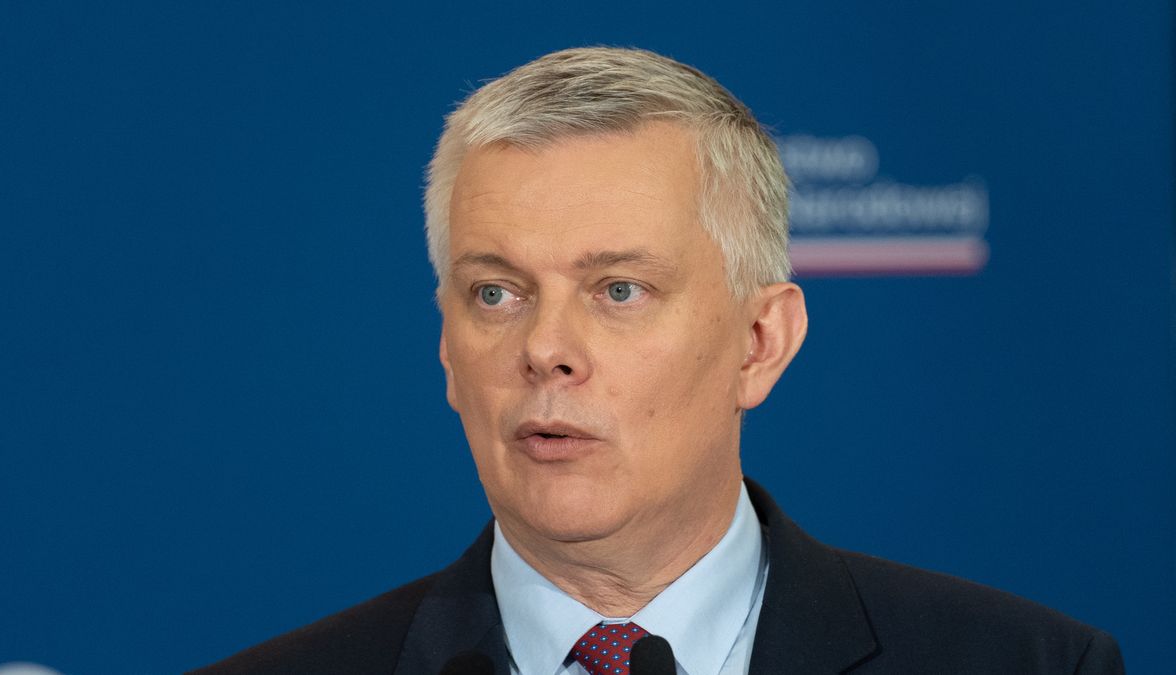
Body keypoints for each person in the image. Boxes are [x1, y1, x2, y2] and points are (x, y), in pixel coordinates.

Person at [192, 47, 1123, 674]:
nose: (546, 350)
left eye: (619, 290)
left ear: (761, 343)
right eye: (496, 293)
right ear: (445, 346)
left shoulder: (1030, 662)